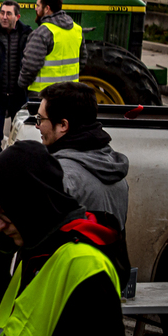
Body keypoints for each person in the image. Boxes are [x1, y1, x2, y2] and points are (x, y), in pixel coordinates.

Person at [0, 141, 128, 336]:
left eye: (2, 213)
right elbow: (7, 325)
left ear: (28, 205)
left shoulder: (83, 265)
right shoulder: (38, 247)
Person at [36, 81, 130, 231]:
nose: (37, 125)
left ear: (63, 125)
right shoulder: (117, 174)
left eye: (41, 119)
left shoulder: (59, 177)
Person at [0, 0, 31, 160]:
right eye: (2, 13)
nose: (3, 17)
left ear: (17, 16)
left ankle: (14, 172)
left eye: (8, 13)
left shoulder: (27, 34)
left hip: (18, 95)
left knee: (19, 139)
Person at [18, 0, 84, 99]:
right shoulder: (77, 30)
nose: (35, 8)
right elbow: (82, 59)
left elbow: (30, 66)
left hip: (44, 95)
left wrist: (22, 84)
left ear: (47, 9)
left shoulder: (42, 33)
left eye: (38, 5)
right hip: (70, 93)